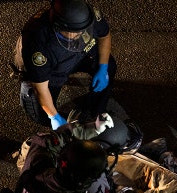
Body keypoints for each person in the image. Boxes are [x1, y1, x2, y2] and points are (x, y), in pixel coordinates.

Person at [15, 0, 116, 129]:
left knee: (110, 67)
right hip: (52, 70)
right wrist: (54, 116)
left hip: (82, 54)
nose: (77, 35)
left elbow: (104, 36)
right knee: (42, 114)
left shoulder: (87, 16)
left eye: (81, 32)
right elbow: (41, 88)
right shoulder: (38, 42)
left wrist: (103, 67)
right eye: (73, 32)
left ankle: (94, 111)